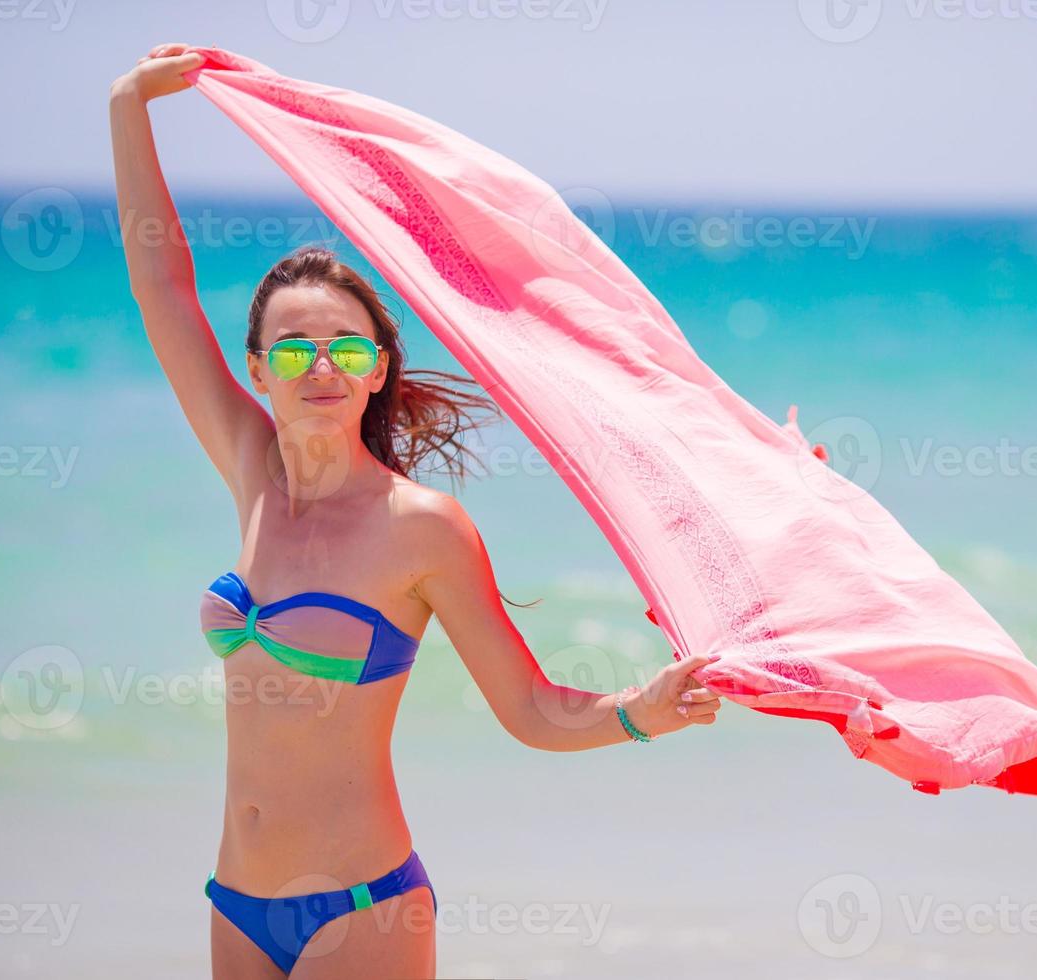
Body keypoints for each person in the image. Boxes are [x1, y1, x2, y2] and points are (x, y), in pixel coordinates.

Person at [109, 42, 722, 979]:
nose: (322, 367)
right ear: (258, 369)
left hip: (362, 911)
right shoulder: (252, 473)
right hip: (233, 904)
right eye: (296, 348)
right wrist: (129, 104)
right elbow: (162, 288)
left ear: (379, 370)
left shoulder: (420, 526)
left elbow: (528, 706)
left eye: (348, 351)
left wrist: (646, 712)